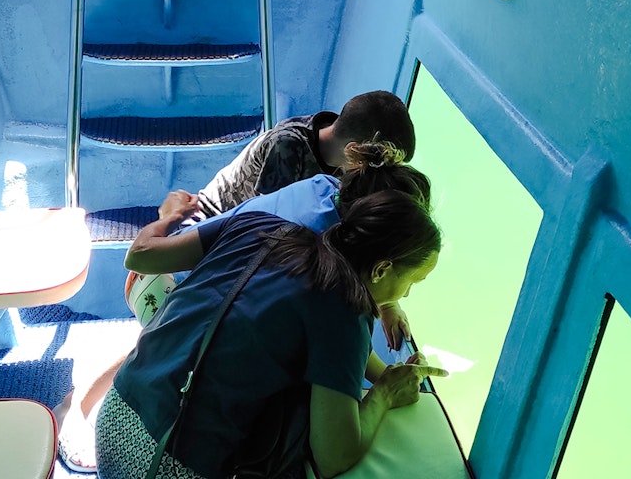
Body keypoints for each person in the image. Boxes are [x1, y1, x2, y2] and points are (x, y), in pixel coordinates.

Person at [58, 142, 428, 472]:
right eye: (411, 283)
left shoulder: (265, 219)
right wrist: (385, 394)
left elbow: (334, 341)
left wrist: (166, 220)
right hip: (160, 467)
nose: (406, 294)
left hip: (115, 416)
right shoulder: (345, 303)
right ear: (382, 266)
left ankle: (79, 409)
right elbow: (334, 456)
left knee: (197, 329)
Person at [197, 90, 416, 217]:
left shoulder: (335, 136)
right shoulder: (287, 146)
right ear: (353, 149)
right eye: (380, 162)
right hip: (209, 219)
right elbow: (266, 225)